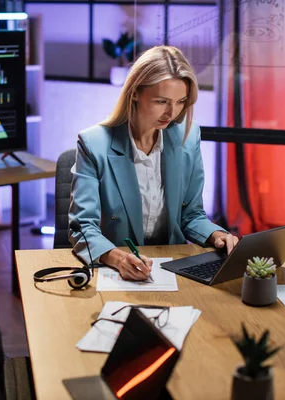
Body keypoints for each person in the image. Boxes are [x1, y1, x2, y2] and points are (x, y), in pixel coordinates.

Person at [69, 45, 239, 281]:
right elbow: (83, 227)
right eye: (161, 101)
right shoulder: (93, 144)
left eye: (181, 101)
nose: (172, 113)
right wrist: (118, 259)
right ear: (135, 92)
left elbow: (191, 214)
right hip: (117, 268)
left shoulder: (187, 138)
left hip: (174, 266)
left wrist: (216, 235)